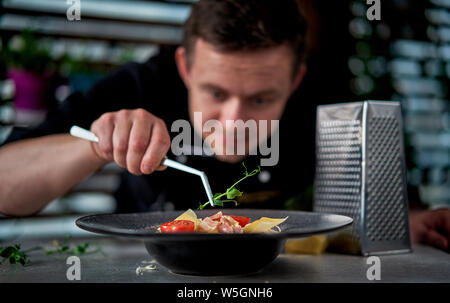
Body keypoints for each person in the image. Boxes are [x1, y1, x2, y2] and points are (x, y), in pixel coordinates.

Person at [0, 0, 448, 252]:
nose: (235, 121)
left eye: (261, 98)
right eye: (215, 93)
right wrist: (96, 145)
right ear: (185, 68)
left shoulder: (325, 102)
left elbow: (383, 200)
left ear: (295, 80)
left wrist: (411, 220)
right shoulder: (143, 84)